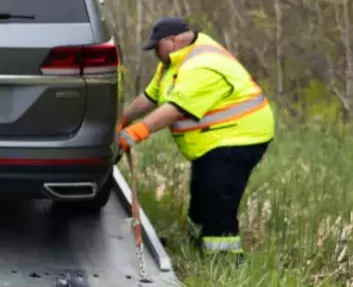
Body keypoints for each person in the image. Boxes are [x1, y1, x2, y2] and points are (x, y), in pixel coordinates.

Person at [117, 16, 274, 258]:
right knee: (200, 192)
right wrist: (121, 120)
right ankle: (195, 248)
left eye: (156, 47)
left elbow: (176, 109)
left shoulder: (202, 66)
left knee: (217, 198)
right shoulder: (173, 63)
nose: (154, 53)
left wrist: (135, 133)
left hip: (238, 137)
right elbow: (149, 98)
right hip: (212, 141)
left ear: (172, 41)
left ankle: (225, 262)